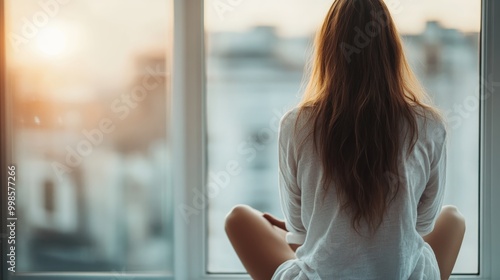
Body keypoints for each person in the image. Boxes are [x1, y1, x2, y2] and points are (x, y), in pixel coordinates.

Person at [224, 0, 466, 279]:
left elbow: (299, 236)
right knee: (453, 219)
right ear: (392, 51)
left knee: (239, 218)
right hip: (402, 274)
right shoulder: (430, 126)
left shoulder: (295, 125)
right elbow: (421, 226)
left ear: (327, 52)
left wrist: (323, 228)